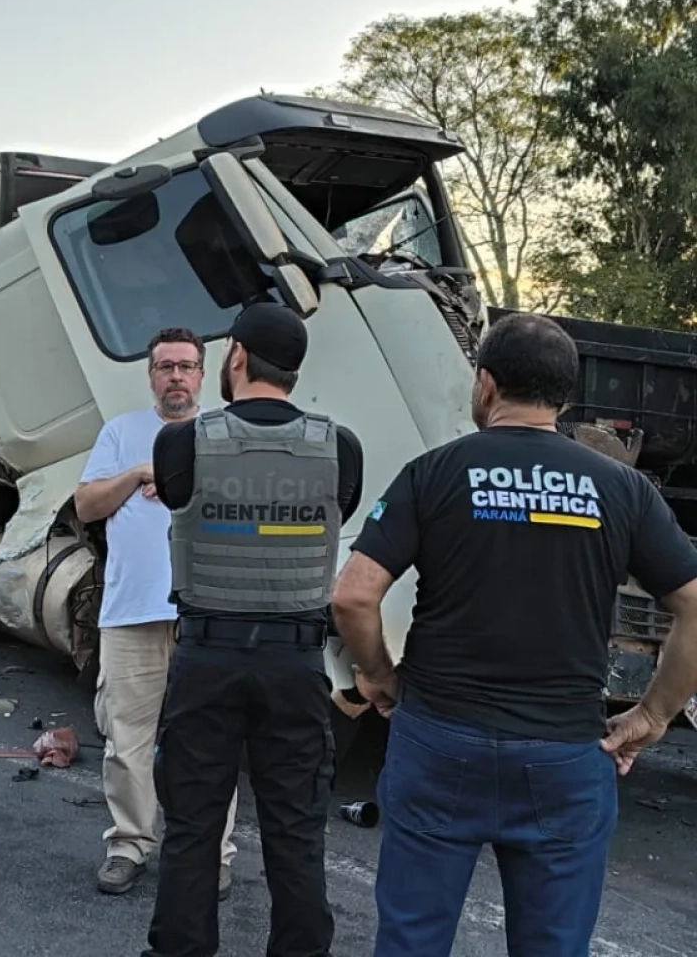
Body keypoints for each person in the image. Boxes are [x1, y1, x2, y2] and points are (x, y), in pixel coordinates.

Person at [331, 311, 697, 957]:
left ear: (487, 385)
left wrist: (379, 675)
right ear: (564, 396)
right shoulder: (623, 490)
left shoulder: (434, 473)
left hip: (441, 743)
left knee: (412, 939)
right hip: (564, 755)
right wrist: (653, 715)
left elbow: (354, 595)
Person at [141, 302, 364, 957]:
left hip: (208, 657)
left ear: (235, 357)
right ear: (293, 369)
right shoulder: (339, 447)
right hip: (296, 664)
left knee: (192, 830)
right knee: (296, 834)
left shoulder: (181, 443)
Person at [75, 326, 239, 898]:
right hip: (130, 611)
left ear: (202, 372)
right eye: (165, 366)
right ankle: (128, 844)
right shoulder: (121, 433)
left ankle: (212, 852)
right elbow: (87, 505)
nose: (176, 376)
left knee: (210, 740)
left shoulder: (224, 432)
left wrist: (181, 480)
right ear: (151, 375)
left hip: (206, 612)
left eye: (186, 366)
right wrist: (140, 474)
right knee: (127, 740)